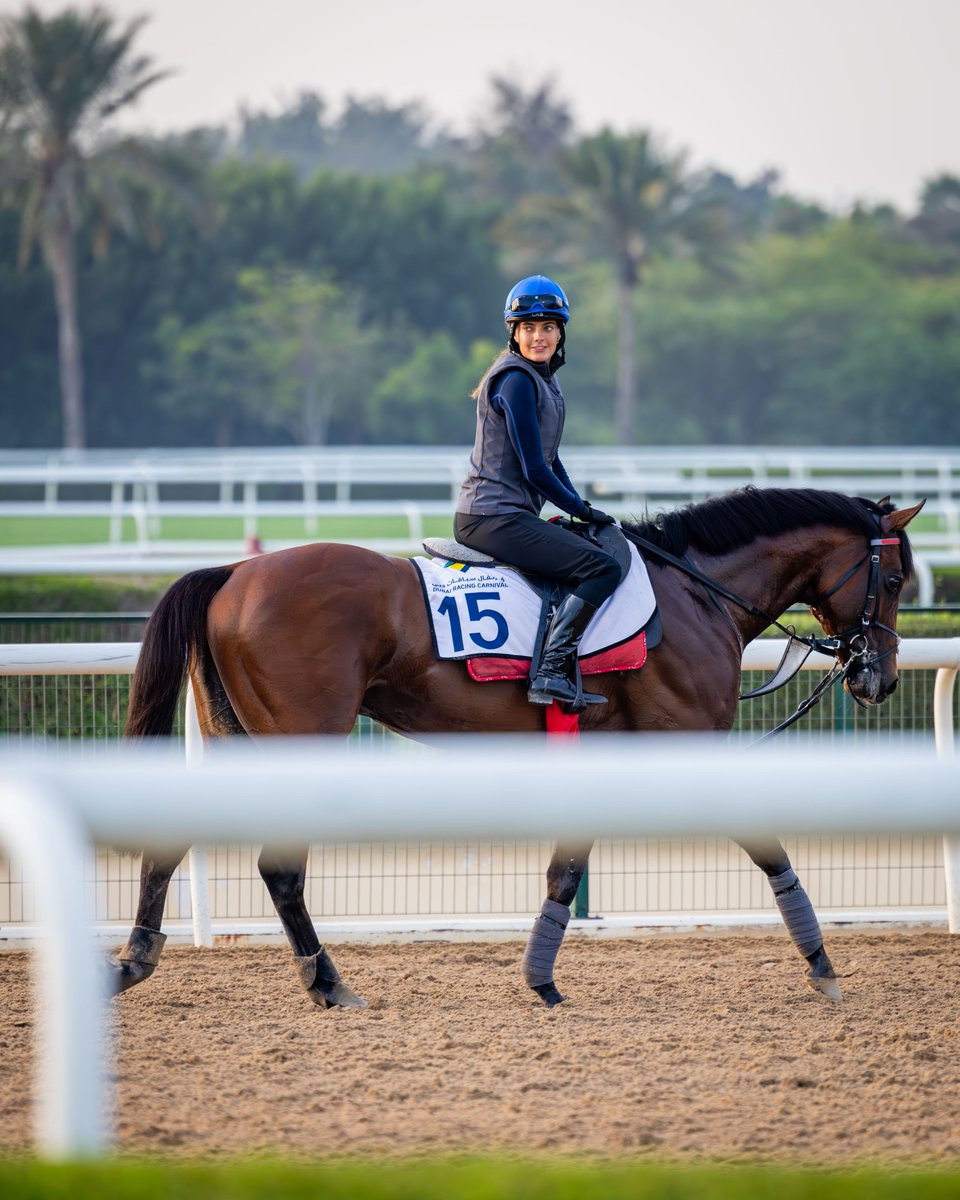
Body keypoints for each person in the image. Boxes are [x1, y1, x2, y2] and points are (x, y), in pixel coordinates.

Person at [454, 274, 621, 707]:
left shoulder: (542, 378)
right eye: (528, 328)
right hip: (491, 517)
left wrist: (581, 505)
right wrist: (581, 509)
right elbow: (535, 471)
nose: (538, 336)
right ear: (514, 333)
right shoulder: (516, 381)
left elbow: (551, 459)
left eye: (548, 327)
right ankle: (550, 672)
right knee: (602, 568)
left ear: (561, 332)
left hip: (506, 515)